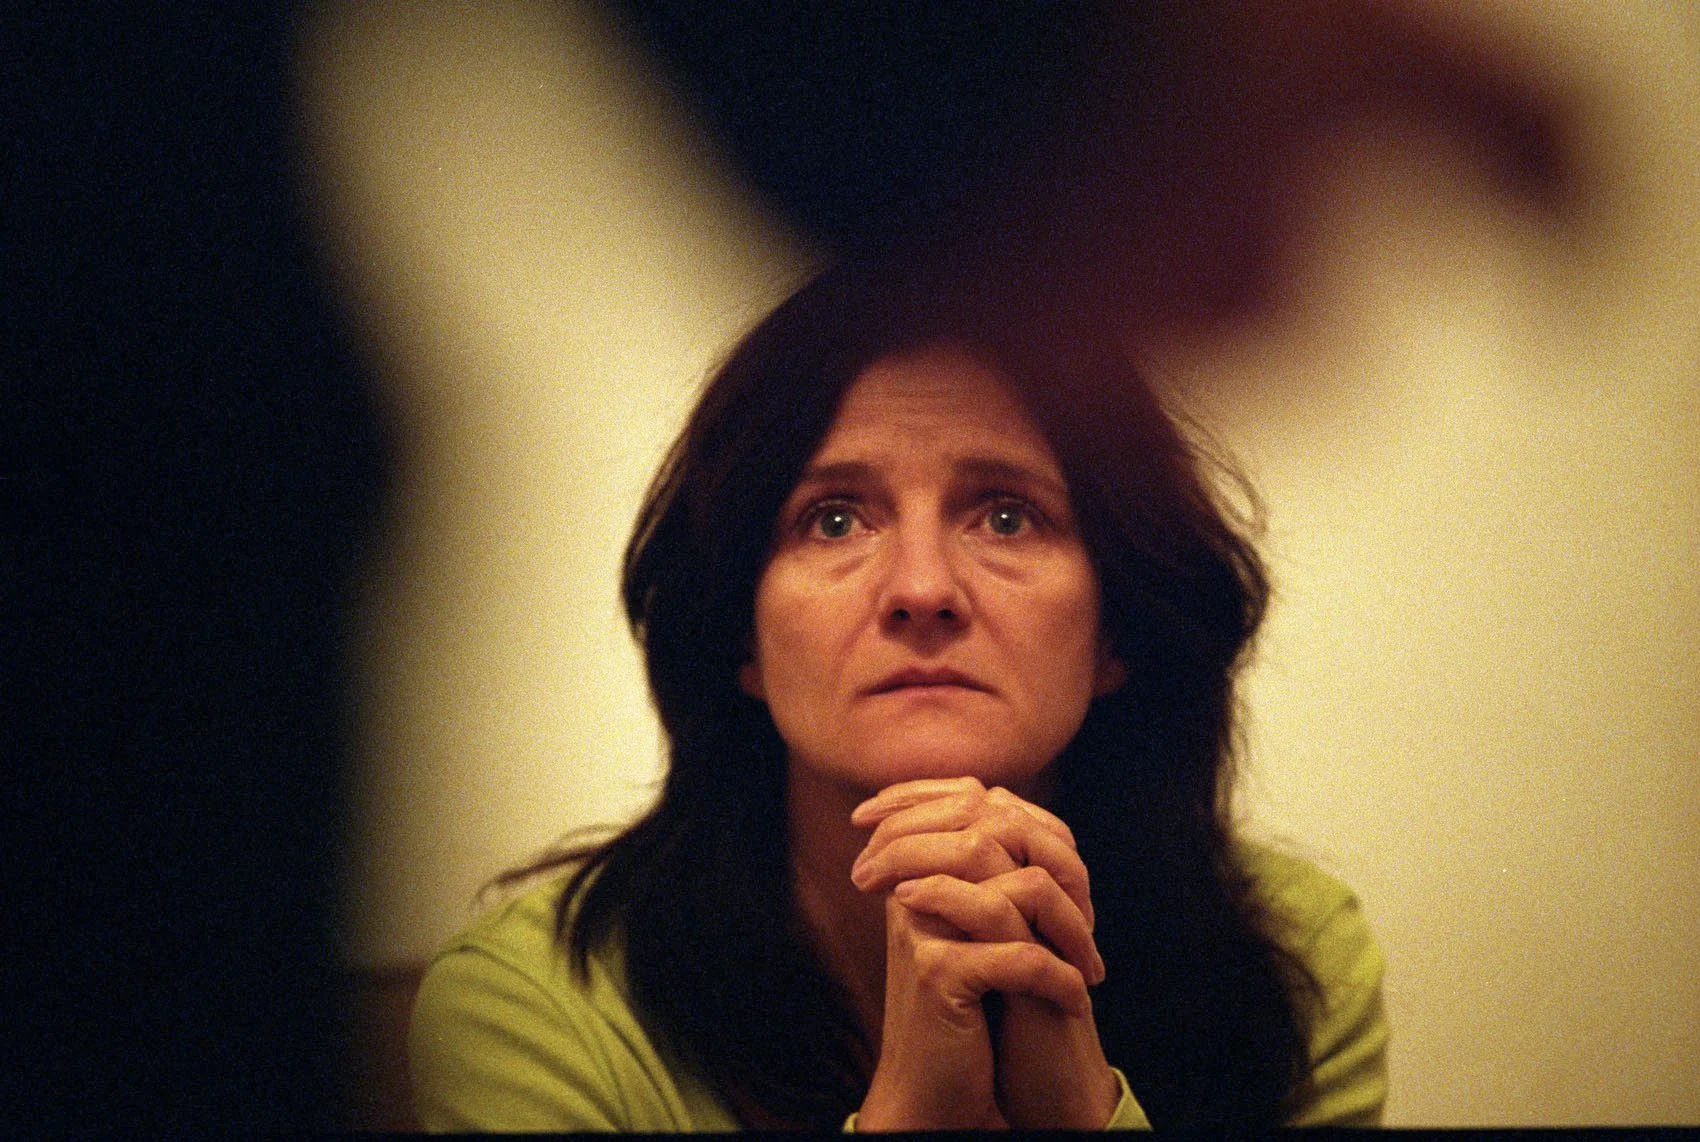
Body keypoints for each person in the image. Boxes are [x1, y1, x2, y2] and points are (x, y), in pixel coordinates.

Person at [407, 254, 1389, 1130]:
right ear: (736, 633)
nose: (921, 588)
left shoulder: (1292, 961)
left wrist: (1081, 1110)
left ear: (1117, 628)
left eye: (1006, 515)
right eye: (833, 519)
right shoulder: (531, 1009)